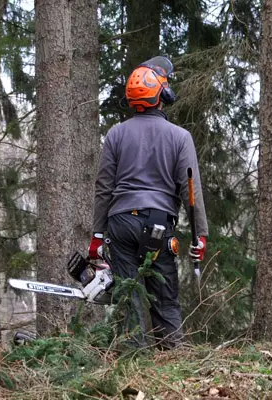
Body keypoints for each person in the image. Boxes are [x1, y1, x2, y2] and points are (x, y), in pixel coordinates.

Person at [87, 56, 208, 349]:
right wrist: (199, 235)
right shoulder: (180, 137)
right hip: (157, 226)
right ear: (162, 94)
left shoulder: (116, 134)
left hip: (121, 224)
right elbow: (191, 192)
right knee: (165, 299)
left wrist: (97, 235)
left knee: (129, 297)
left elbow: (104, 187)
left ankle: (132, 360)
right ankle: (172, 356)